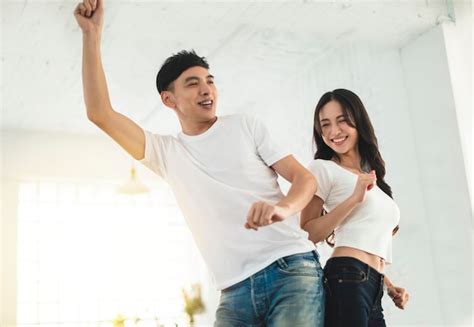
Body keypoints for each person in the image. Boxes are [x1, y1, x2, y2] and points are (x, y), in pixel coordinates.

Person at [74, 0, 325, 325]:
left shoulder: (245, 126)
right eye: (193, 83)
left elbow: (305, 179)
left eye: (210, 80)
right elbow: (100, 113)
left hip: (289, 268)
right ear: (169, 99)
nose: (207, 89)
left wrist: (283, 209)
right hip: (232, 292)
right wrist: (91, 35)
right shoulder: (167, 154)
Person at [301, 89, 409, 327]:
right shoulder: (322, 168)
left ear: (358, 121)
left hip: (371, 284)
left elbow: (365, 240)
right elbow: (308, 233)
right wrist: (353, 199)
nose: (334, 132)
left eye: (342, 121)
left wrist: (389, 287)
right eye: (325, 125)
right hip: (346, 277)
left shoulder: (371, 178)